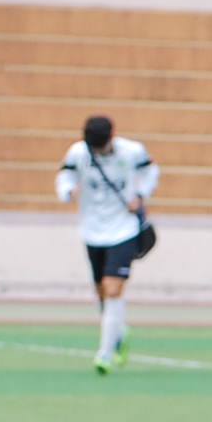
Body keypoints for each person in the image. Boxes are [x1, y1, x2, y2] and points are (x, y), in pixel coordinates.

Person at [56, 114, 155, 374]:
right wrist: (68, 192)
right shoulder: (78, 153)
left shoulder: (132, 151)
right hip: (92, 230)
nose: (97, 152)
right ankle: (118, 333)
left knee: (113, 288)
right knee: (101, 291)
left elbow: (150, 171)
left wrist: (141, 195)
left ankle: (105, 354)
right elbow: (65, 177)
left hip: (123, 229)